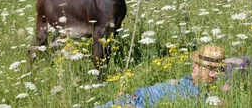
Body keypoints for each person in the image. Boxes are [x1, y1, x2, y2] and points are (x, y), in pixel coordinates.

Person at [95, 45, 228, 108]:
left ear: (213, 73)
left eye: (200, 65)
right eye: (195, 62)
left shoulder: (200, 95)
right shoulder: (189, 79)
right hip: (130, 98)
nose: (194, 65)